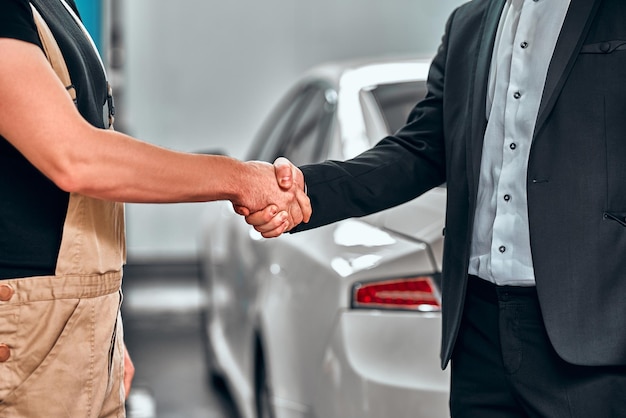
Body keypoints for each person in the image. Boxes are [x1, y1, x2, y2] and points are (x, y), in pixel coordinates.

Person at [247, 0, 626, 416]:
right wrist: (306, 192)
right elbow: (418, 150)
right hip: (477, 331)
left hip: (593, 337)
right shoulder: (469, 23)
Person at [0, 0, 310, 416]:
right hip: (21, 340)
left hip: (73, 337)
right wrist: (236, 180)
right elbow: (74, 157)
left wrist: (100, 336)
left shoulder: (56, 6)